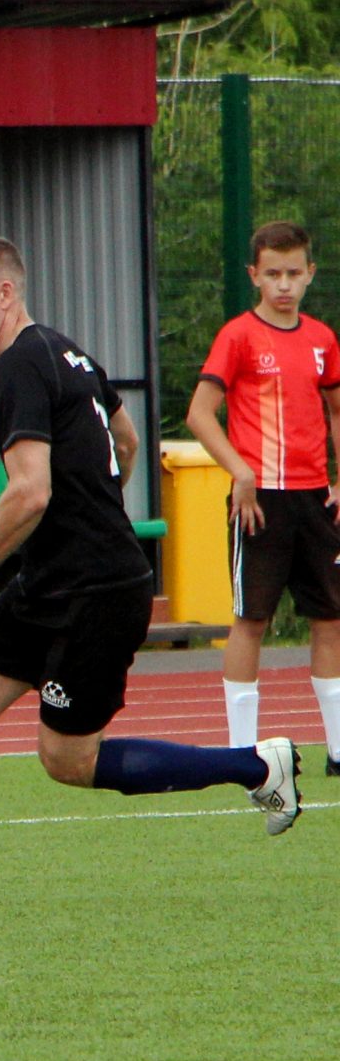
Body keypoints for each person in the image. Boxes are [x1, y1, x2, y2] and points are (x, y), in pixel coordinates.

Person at [0, 236, 299, 912]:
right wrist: (98, 512)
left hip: (92, 591)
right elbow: (127, 439)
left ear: (6, 292)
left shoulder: (21, 365)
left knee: (68, 760)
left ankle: (259, 766)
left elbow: (29, 491)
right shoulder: (66, 350)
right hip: (52, 579)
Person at [184, 220, 340, 772]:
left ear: (310, 274)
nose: (283, 284)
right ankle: (239, 751)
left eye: (293, 273)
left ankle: (338, 749)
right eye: (272, 273)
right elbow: (200, 414)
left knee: (330, 618)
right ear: (254, 275)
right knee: (251, 619)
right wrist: (239, 471)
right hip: (260, 501)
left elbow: (336, 409)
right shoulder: (238, 336)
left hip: (316, 498)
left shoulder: (322, 339)